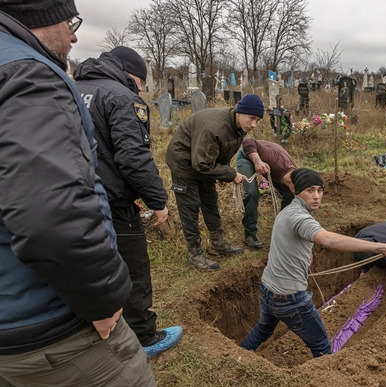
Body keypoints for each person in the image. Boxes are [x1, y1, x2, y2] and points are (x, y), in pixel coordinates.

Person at [0, 1, 154, 385]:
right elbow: (51, 218)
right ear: (38, 16)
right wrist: (101, 301)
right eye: (69, 21)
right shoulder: (29, 77)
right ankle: (146, 330)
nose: (74, 34)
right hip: (51, 323)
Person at [74, 46, 182, 358]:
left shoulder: (71, 87)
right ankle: (145, 337)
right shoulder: (122, 97)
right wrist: (158, 201)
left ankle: (94, 330)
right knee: (133, 269)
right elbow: (133, 157)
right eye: (140, 83)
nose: (140, 89)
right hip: (112, 203)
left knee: (90, 266)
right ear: (132, 76)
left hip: (74, 199)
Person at [240, 168, 386, 357]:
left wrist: (303, 254)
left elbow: (284, 243)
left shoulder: (287, 211)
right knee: (322, 346)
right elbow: (328, 240)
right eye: (310, 190)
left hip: (267, 290)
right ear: (297, 191)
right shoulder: (299, 217)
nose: (316, 196)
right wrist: (379, 247)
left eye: (320, 190)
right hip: (290, 298)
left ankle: (237, 359)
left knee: (263, 330)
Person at [166, 93, 264, 271]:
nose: (253, 125)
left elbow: (222, 152)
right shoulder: (214, 127)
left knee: (210, 202)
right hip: (184, 163)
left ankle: (217, 243)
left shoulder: (239, 128)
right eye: (251, 118)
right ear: (239, 112)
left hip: (203, 163)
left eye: (257, 120)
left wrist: (222, 173)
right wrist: (230, 173)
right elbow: (200, 164)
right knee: (190, 208)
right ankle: (195, 254)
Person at [235, 138, 297, 249]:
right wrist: (257, 161)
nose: (298, 192)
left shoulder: (296, 177)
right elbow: (248, 141)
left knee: (290, 196)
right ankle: (250, 233)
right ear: (292, 183)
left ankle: (283, 229)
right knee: (252, 193)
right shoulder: (275, 162)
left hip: (274, 163)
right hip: (248, 155)